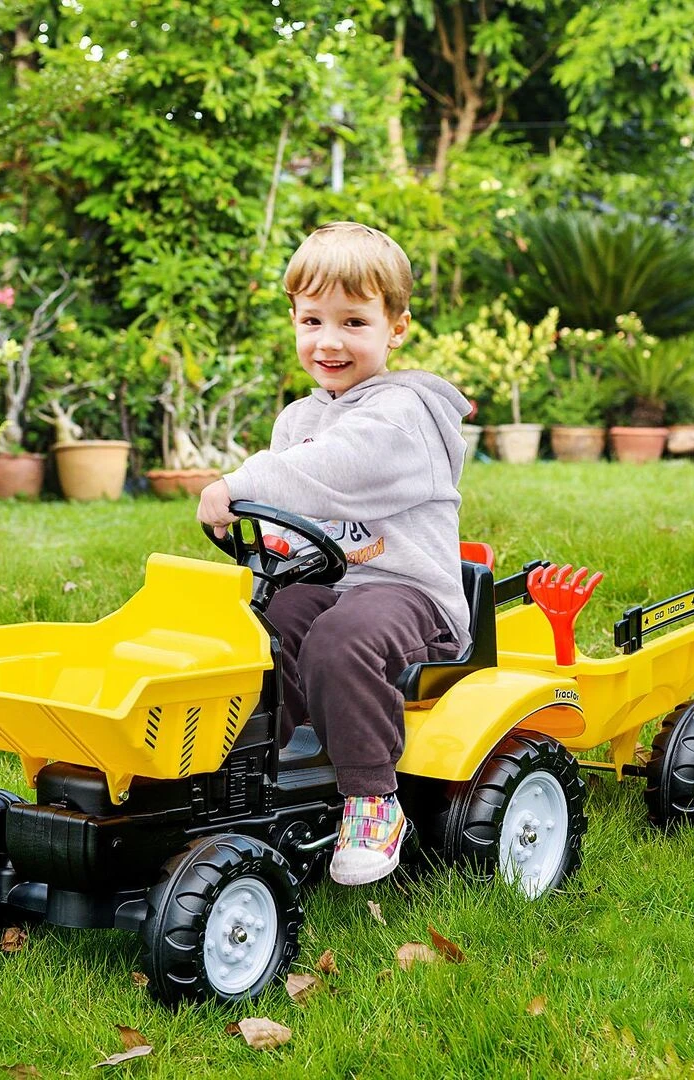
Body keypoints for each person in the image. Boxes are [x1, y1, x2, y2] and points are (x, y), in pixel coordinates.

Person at [197, 221, 472, 886]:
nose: (329, 341)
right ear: (292, 318)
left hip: (409, 597)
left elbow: (336, 469)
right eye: (313, 319)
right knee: (262, 631)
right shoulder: (297, 419)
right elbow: (298, 513)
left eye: (353, 322)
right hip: (332, 583)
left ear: (396, 327)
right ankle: (233, 777)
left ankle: (373, 800)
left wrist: (237, 485)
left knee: (338, 640)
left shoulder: (404, 413)